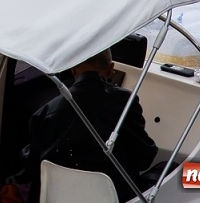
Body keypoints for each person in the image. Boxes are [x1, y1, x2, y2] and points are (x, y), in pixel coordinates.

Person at [19, 51, 158, 203]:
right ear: (111, 69)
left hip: (57, 196)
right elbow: (144, 158)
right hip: (114, 196)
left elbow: (32, 166)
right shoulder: (125, 102)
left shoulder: (45, 111)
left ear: (73, 70)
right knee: (171, 168)